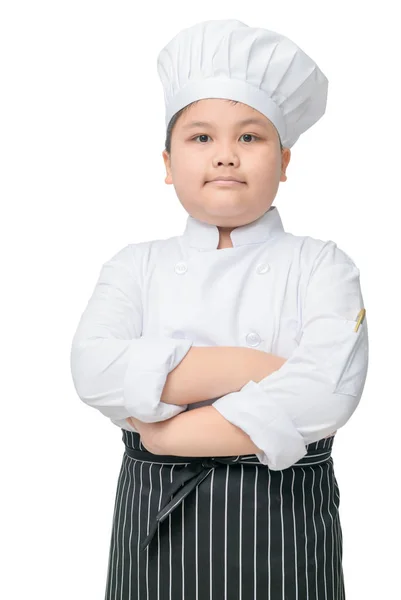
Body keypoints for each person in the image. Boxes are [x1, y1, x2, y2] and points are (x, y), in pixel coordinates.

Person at [70, 19, 369, 600]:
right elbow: (92, 369)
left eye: (251, 138)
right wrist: (252, 366)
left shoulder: (323, 265)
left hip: (281, 524)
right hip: (157, 523)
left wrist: (169, 435)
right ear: (166, 162)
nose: (226, 156)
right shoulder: (135, 266)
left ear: (284, 162)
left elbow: (329, 392)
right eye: (201, 138)